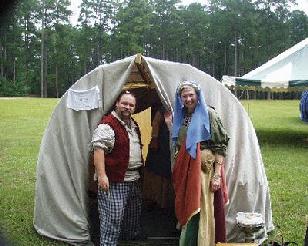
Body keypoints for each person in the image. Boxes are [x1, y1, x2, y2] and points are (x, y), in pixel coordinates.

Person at [169, 81, 229, 246]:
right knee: (187, 204)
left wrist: (217, 176)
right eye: (184, 96)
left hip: (203, 172)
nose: (188, 99)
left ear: (197, 95)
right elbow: (180, 143)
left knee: (200, 208)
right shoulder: (181, 116)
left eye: (191, 95)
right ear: (180, 98)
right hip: (186, 170)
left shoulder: (209, 114)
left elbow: (221, 146)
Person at [91, 90, 144, 246]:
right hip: (115, 180)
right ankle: (108, 243)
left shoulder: (133, 124)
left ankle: (130, 238)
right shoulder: (107, 124)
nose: (127, 107)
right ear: (117, 104)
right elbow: (98, 149)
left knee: (132, 213)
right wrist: (101, 175)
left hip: (134, 178)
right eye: (124, 103)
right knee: (112, 217)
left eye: (131, 105)